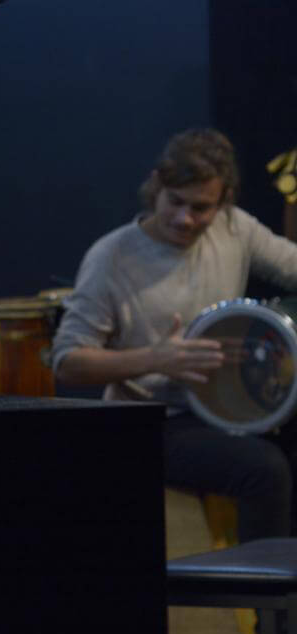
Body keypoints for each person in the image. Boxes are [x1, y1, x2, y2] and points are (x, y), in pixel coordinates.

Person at [52, 128, 297, 545]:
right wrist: (157, 358)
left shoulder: (235, 228)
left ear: (224, 202)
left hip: (227, 410)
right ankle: (261, 587)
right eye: (175, 202)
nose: (185, 219)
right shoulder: (111, 257)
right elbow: (67, 362)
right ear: (156, 187)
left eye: (201, 208)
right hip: (151, 421)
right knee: (264, 470)